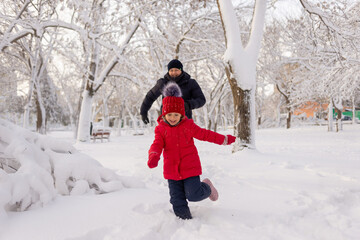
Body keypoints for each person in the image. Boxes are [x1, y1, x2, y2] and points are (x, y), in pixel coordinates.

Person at [147, 82, 236, 220]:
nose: (172, 118)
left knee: (193, 195)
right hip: (172, 171)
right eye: (169, 114)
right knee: (177, 201)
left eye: (176, 115)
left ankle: (207, 187)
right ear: (164, 114)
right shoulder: (161, 129)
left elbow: (205, 134)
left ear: (181, 114)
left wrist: (224, 139)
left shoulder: (188, 125)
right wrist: (154, 155)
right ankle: (185, 222)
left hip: (190, 168)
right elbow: (157, 144)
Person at [140, 59, 206, 124]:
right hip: (166, 122)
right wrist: (143, 112)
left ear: (181, 70)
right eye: (171, 70)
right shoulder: (163, 83)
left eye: (176, 70)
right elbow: (150, 97)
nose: (174, 73)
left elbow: (201, 99)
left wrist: (187, 105)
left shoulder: (190, 83)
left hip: (184, 121)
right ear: (168, 71)